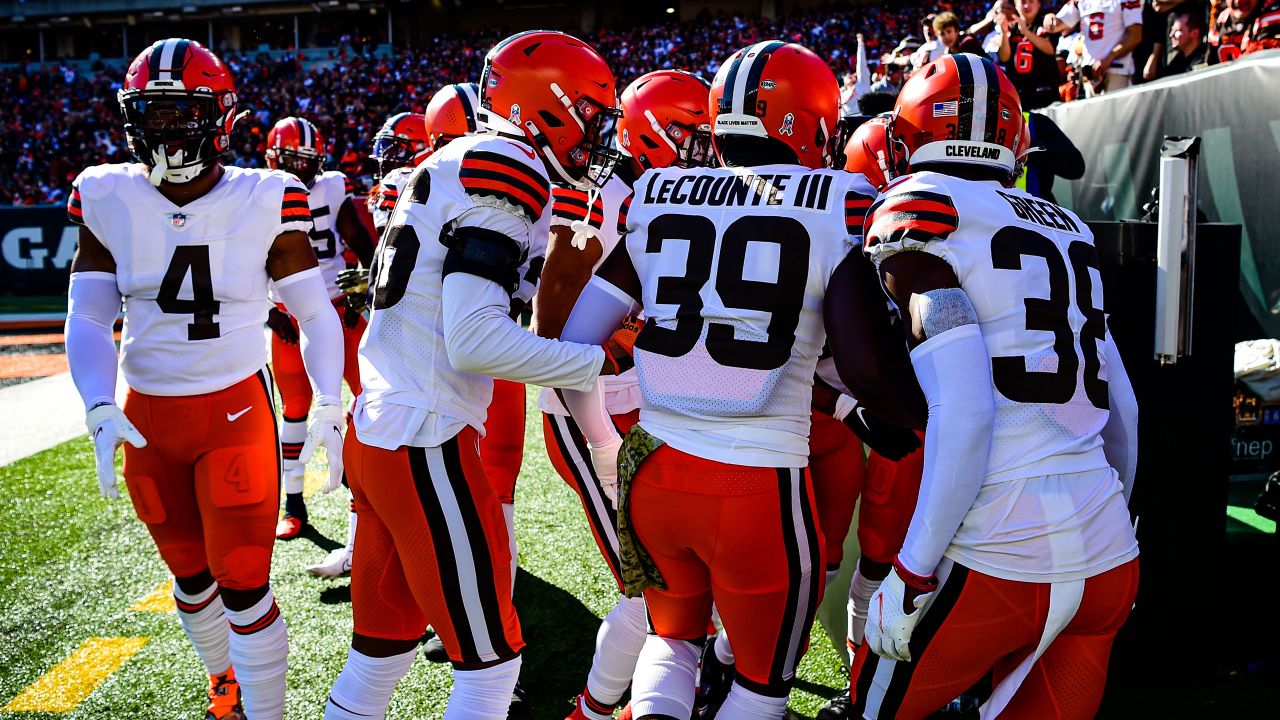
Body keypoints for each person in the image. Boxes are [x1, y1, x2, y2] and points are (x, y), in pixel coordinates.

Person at [559, 40, 923, 720]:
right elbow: (864, 365)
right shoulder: (840, 202)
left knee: (671, 642)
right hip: (756, 487)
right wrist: (917, 415)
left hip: (657, 470)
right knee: (761, 687)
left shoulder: (657, 192)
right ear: (807, 119)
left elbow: (575, 343)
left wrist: (610, 450)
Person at [323, 30, 621, 720]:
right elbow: (475, 340)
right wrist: (591, 361)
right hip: (425, 436)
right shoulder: (505, 164)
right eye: (590, 113)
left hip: (383, 428)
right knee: (490, 667)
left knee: (379, 652)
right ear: (548, 105)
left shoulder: (463, 158)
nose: (598, 135)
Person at [847, 54, 1141, 719]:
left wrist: (913, 569)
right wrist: (1116, 516)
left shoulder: (922, 207)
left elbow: (968, 408)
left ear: (907, 133)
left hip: (996, 554)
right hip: (1107, 551)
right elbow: (1122, 407)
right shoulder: (1067, 227)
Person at [65, 38, 347, 720]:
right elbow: (89, 312)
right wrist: (99, 405)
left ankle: (268, 711)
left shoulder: (270, 194)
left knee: (244, 583)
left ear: (218, 115)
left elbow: (312, 311)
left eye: (179, 112)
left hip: (233, 413)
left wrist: (332, 401)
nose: (163, 128)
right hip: (148, 419)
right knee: (189, 580)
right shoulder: (104, 192)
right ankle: (226, 684)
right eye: (151, 113)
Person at [536, 68, 712, 720]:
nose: (707, 151)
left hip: (649, 399)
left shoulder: (675, 194)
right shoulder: (596, 198)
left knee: (685, 569)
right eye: (693, 137)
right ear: (653, 134)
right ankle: (595, 707)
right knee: (651, 587)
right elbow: (553, 333)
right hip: (594, 410)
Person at [261, 117, 375, 559]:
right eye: (292, 160)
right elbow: (246, 264)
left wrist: (363, 283)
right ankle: (293, 504)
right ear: (274, 158)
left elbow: (360, 242)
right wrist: (270, 312)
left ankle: (364, 490)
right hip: (289, 314)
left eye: (308, 161)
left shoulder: (332, 188)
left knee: (366, 400)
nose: (301, 169)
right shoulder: (256, 193)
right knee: (293, 410)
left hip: (338, 311)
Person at [1046, 0, 1145, 95]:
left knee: (1118, 110)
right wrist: (1049, 18)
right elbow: (1056, 25)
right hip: (1091, 73)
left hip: (1117, 70)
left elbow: (1135, 36)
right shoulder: (1080, 1)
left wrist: (1110, 57)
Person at [366, 112, 433, 236]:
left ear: (422, 146)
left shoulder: (397, 179)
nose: (385, 160)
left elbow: (386, 233)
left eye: (397, 150)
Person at [998, 0, 1064, 108]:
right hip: (1020, 94)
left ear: (1039, 3)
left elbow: (1050, 49)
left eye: (1031, 1)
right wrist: (1003, 33)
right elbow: (1004, 57)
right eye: (1023, 2)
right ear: (1016, 4)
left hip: (1044, 91)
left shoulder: (1045, 23)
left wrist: (1026, 32)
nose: (1027, 5)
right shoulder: (1011, 27)